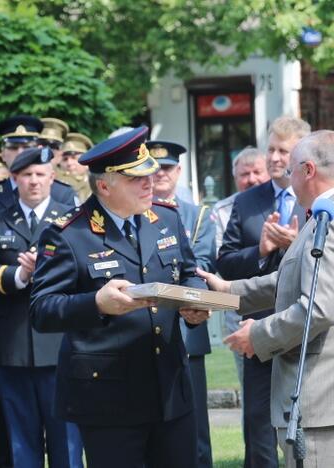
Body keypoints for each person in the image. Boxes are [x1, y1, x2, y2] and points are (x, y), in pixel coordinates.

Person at [201, 130, 334, 468]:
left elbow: (318, 309)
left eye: (291, 170)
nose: (287, 179)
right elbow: (292, 279)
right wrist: (228, 292)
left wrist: (258, 335)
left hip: (327, 402)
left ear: (308, 170)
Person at [29, 126, 210, 468]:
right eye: (136, 179)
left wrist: (195, 302)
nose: (149, 184)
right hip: (109, 398)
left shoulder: (166, 218)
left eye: (150, 176)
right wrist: (96, 303)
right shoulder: (68, 234)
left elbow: (188, 272)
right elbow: (42, 309)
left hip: (169, 387)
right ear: (104, 186)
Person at [0, 147, 82, 468]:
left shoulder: (72, 221)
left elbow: (87, 270)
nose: (34, 182)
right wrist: (20, 275)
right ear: (14, 179)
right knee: (22, 444)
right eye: (26, 175)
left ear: (52, 178)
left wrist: (46, 271)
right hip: (14, 348)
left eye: (40, 175)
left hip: (61, 346)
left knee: (67, 442)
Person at [216, 115, 310, 468]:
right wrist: (261, 249)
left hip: (303, 327)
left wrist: (296, 243)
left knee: (303, 424)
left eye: (282, 150)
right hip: (256, 328)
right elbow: (225, 262)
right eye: (270, 148)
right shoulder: (247, 201)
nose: (272, 157)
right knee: (258, 423)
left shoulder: (314, 199)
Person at [148, 139, 215, 468]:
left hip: (188, 331)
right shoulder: (135, 214)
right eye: (154, 168)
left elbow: (200, 265)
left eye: (168, 168)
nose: (160, 174)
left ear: (178, 171)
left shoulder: (198, 215)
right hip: (146, 331)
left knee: (195, 428)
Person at [211, 146, 269, 382]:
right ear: (235, 178)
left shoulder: (278, 202)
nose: (251, 179)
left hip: (279, 306)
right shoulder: (222, 210)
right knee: (250, 385)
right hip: (239, 308)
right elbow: (221, 261)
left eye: (257, 172)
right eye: (244, 174)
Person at [0, 115, 76, 212]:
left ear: (38, 150)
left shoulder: (62, 194)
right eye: (13, 147)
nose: (20, 153)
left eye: (27, 147)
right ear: (3, 154)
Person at [59, 133, 93, 202]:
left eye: (74, 158)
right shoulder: (56, 185)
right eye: (65, 159)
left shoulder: (95, 184)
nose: (69, 163)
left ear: (86, 162)